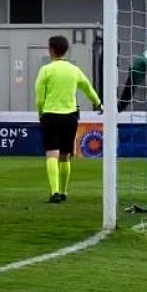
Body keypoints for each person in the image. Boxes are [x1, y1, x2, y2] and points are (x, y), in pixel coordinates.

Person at [35, 35, 102, 204]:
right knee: (65, 155)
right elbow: (87, 87)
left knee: (51, 153)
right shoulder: (74, 70)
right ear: (66, 50)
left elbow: (39, 97)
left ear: (51, 50)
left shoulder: (46, 70)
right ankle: (64, 191)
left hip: (50, 114)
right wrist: (99, 103)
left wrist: (40, 112)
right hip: (70, 116)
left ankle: (54, 191)